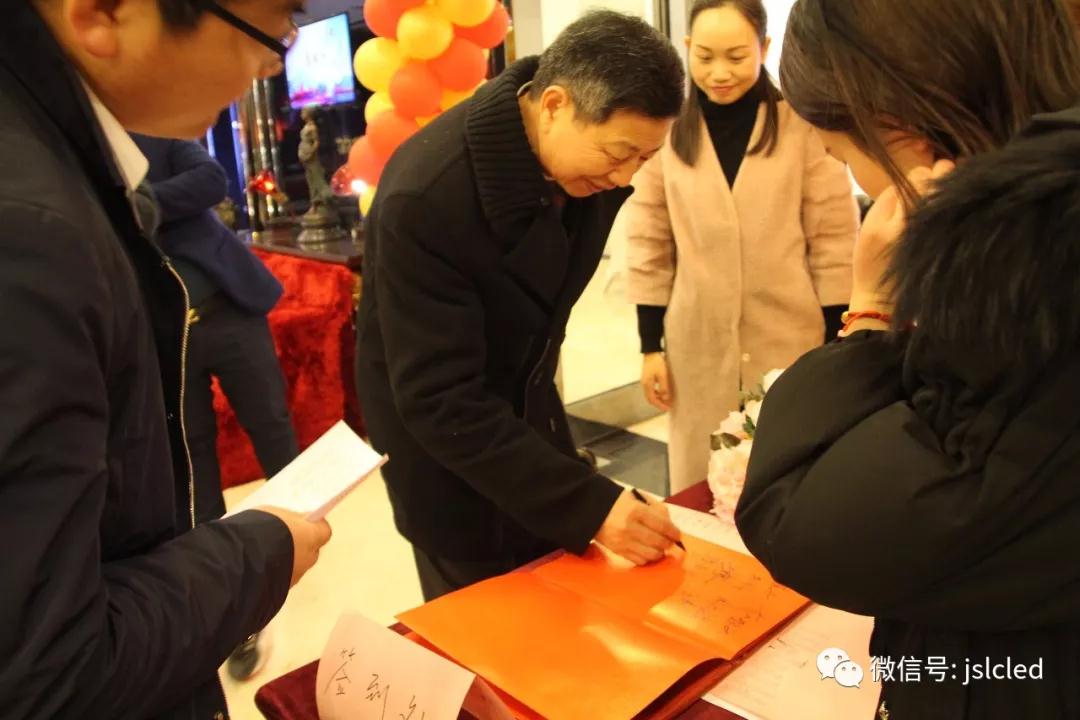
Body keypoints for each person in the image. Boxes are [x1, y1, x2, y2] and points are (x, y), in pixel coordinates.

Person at [733, 0, 1080, 717]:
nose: (863, 185)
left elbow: (802, 521)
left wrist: (870, 312)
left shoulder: (1027, 275)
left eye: (846, 157)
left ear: (902, 130)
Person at [0, 2, 332, 719]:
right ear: (102, 14)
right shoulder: (29, 229)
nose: (272, 63)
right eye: (271, 32)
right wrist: (257, 555)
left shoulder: (63, 152)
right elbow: (52, 668)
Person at [356, 9, 687, 601]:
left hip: (526, 438)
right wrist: (587, 505)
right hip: (450, 465)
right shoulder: (427, 198)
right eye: (618, 153)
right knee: (485, 633)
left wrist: (577, 491)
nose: (624, 178)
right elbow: (439, 400)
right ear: (554, 104)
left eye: (644, 158)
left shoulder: (573, 171)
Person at [617, 0, 858, 493]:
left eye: (736, 56)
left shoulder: (800, 125)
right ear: (687, 48)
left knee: (787, 473)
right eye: (705, 57)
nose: (719, 73)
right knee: (700, 478)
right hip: (695, 341)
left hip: (790, 335)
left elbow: (833, 237)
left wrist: (838, 337)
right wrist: (649, 346)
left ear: (764, 48)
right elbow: (648, 236)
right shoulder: (667, 129)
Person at [132, 134, 301, 679]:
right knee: (190, 441)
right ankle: (216, 554)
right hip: (161, 331)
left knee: (269, 419)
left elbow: (210, 180)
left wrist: (140, 204)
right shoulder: (74, 164)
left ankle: (302, 513)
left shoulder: (154, 132)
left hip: (227, 307)